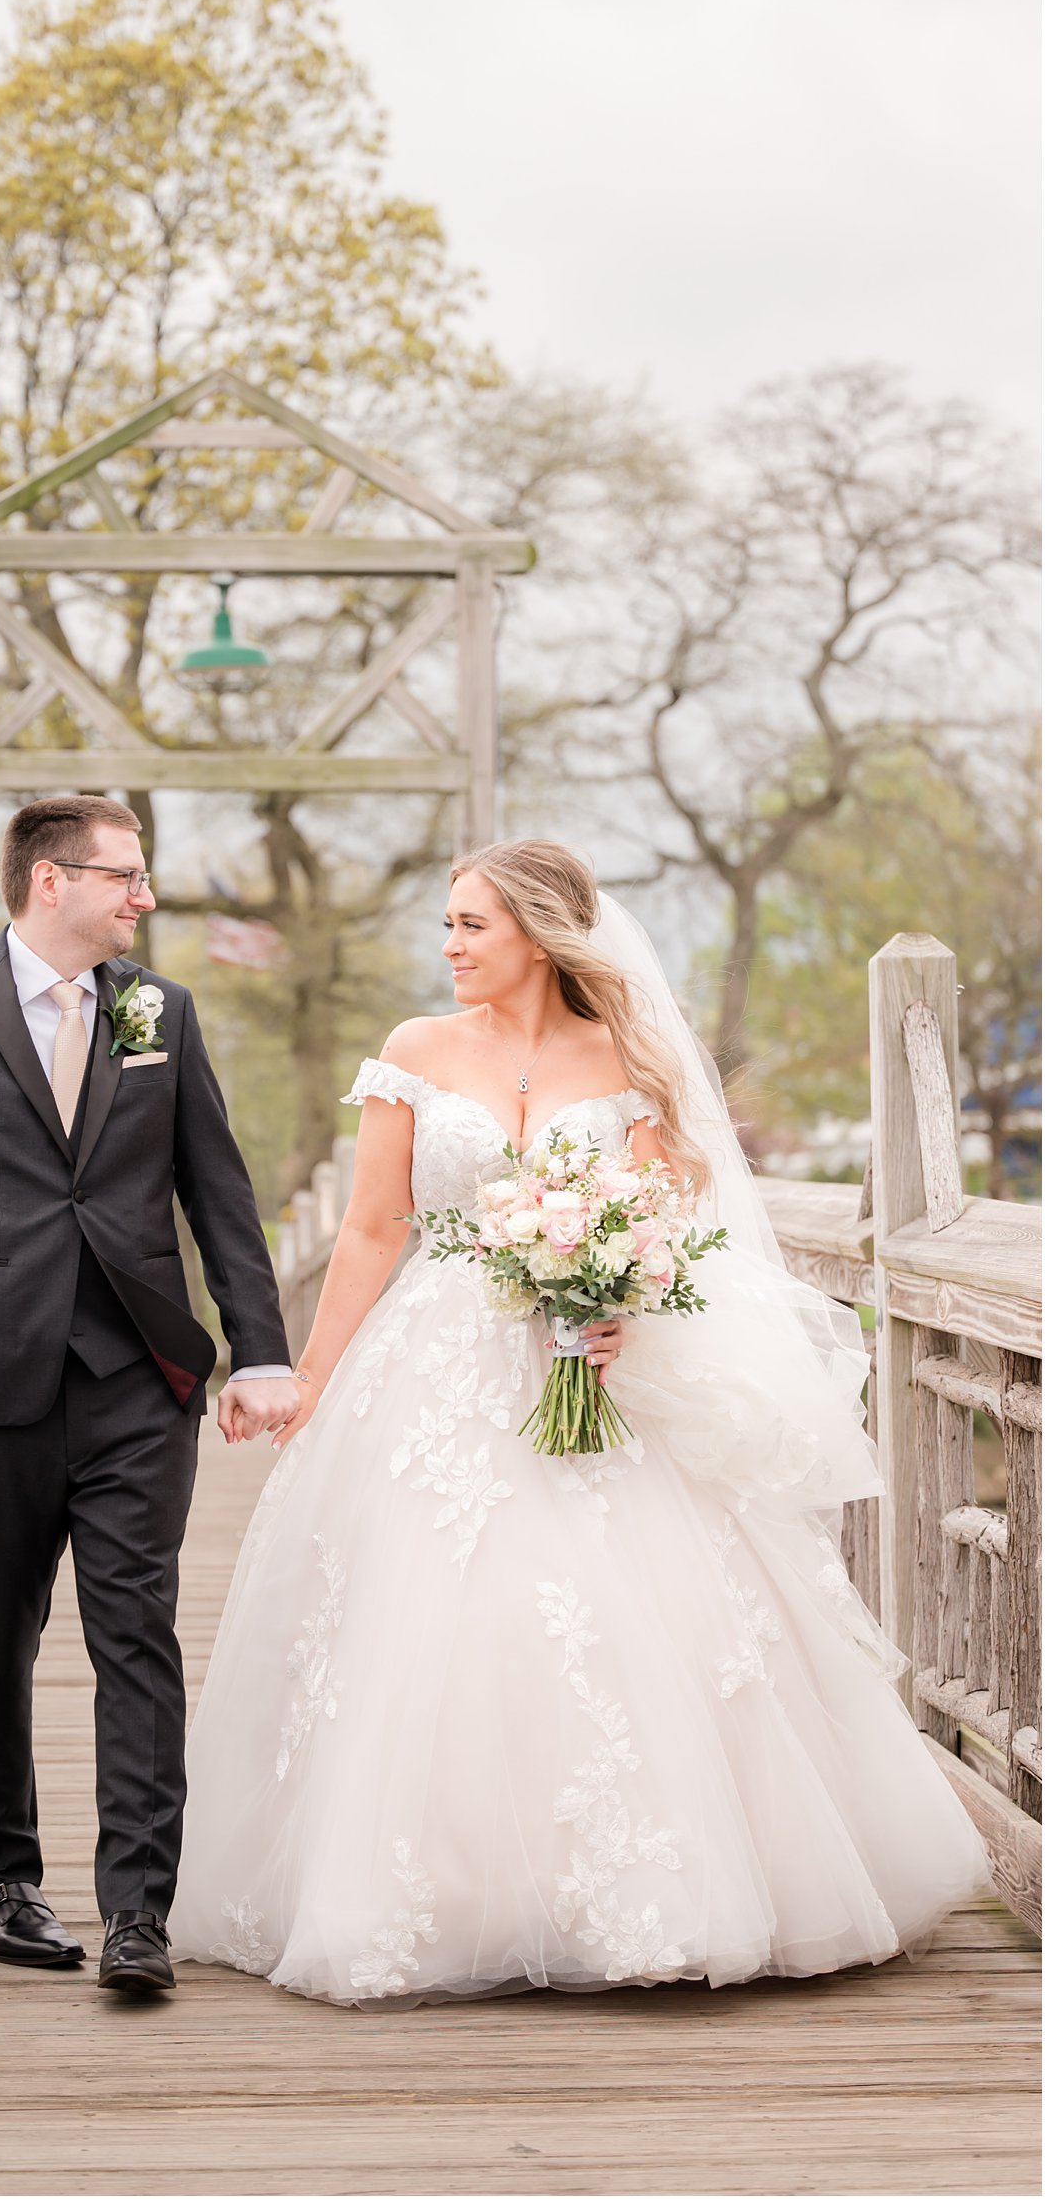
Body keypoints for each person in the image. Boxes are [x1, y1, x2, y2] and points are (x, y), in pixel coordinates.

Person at [169, 838, 991, 2004]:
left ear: (541, 935)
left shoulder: (624, 1057)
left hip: (588, 1367)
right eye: (446, 923)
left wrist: (625, 1311)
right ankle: (452, 1889)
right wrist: (311, 1375)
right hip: (436, 1362)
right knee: (438, 1612)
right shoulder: (413, 1052)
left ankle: (653, 1888)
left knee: (625, 1613)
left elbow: (672, 1227)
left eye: (469, 925)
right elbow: (368, 1228)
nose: (447, 946)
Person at [0, 796, 298, 1992]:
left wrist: (257, 1350)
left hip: (137, 1376)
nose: (144, 897)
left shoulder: (161, 1009)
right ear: (49, 881)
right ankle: (0, 1884)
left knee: (135, 1635)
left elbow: (219, 1191)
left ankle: (138, 1912)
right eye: (125, 876)